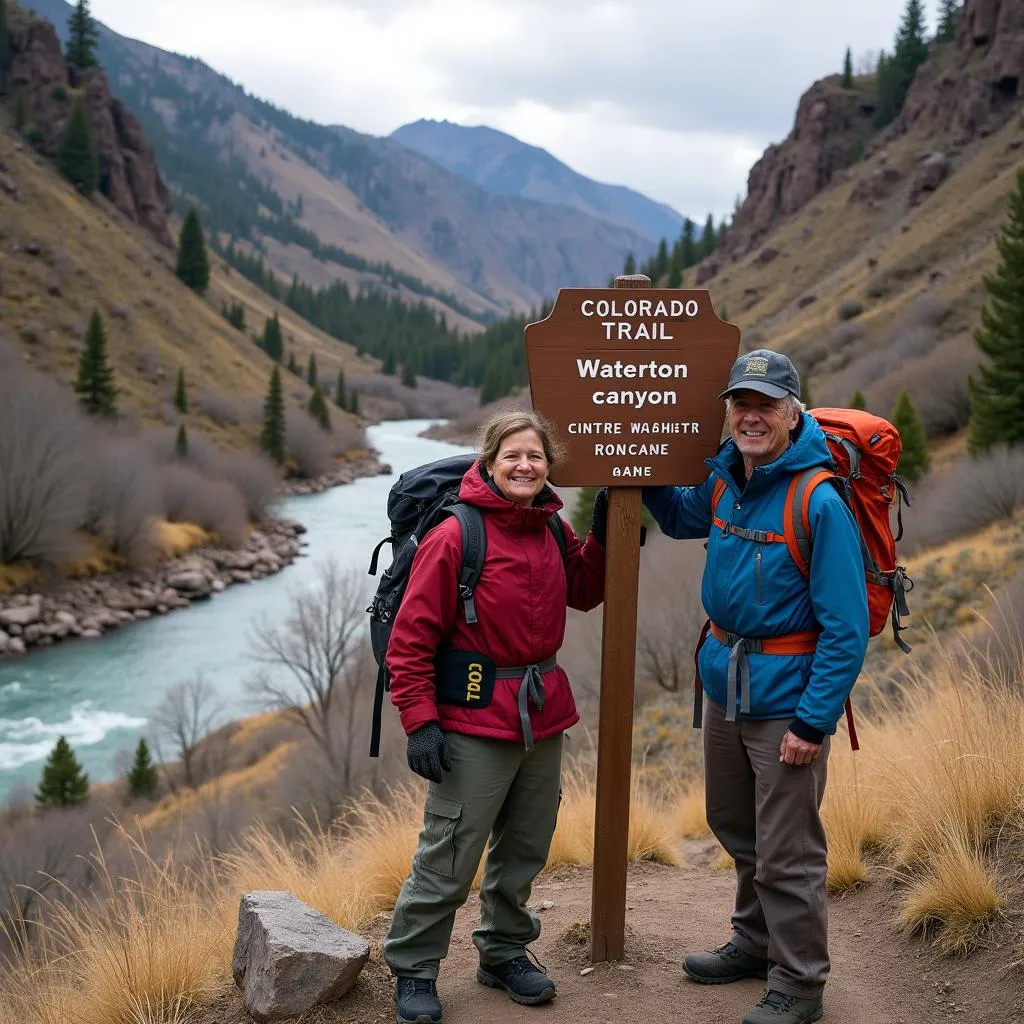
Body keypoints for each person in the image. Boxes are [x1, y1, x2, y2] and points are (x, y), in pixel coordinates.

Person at [642, 349, 868, 1024]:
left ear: (791, 412)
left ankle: (800, 985)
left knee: (788, 849)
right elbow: (683, 517)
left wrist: (812, 722)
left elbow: (846, 630)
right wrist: (636, 469)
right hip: (725, 689)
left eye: (765, 404)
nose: (751, 416)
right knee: (735, 824)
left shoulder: (817, 500)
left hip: (788, 703)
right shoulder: (727, 480)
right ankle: (754, 940)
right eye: (741, 403)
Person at [382, 409, 607, 1024]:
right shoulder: (457, 534)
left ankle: (504, 953)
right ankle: (414, 967)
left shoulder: (552, 528)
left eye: (535, 456)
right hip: (472, 718)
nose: (525, 466)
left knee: (526, 847)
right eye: (512, 455)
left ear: (547, 465)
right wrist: (420, 722)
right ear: (489, 462)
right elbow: (411, 639)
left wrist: (609, 531)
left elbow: (583, 590)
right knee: (451, 851)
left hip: (542, 712)